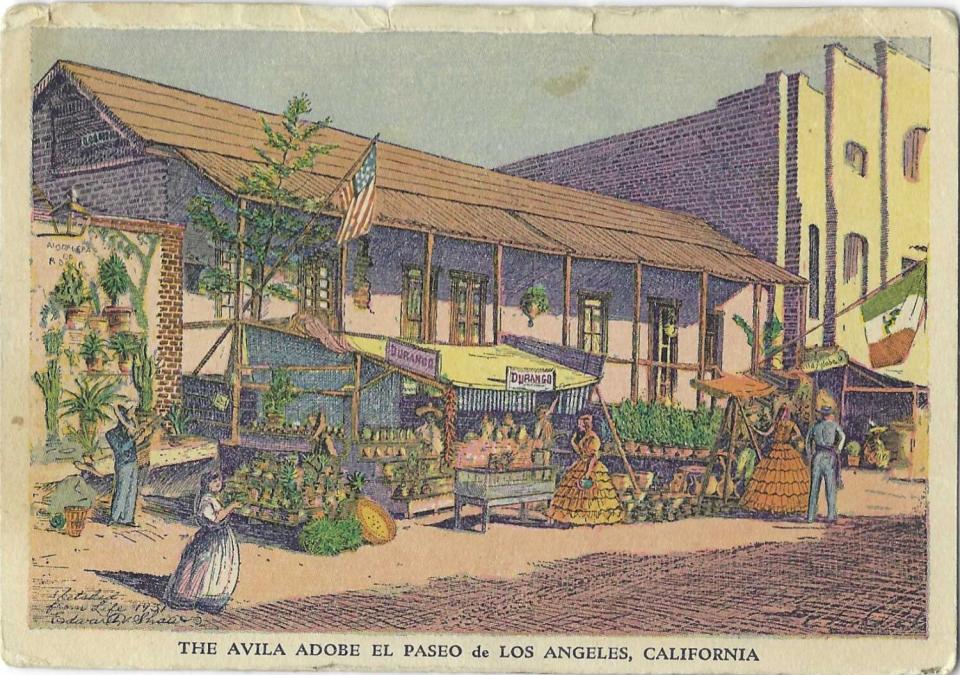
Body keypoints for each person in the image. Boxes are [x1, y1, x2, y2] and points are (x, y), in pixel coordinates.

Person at [163, 471, 241, 613]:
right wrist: (231, 507)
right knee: (204, 566)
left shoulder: (212, 498)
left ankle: (211, 597)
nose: (218, 483)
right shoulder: (206, 500)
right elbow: (215, 518)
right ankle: (197, 597)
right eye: (213, 481)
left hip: (218, 536)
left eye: (219, 480)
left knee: (217, 567)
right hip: (211, 538)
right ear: (206, 484)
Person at [545, 414, 623, 526]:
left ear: (587, 425)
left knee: (591, 494)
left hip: (591, 467)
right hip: (582, 464)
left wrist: (587, 474)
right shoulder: (586, 436)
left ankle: (587, 518)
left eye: (580, 424)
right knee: (575, 492)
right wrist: (573, 442)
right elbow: (582, 453)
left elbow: (593, 457)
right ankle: (575, 518)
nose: (578, 426)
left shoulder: (593, 438)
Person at [740, 403, 811, 515]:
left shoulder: (786, 424)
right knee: (774, 478)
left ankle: (784, 506)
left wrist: (791, 438)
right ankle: (775, 506)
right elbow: (767, 433)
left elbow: (798, 435)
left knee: (785, 478)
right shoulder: (782, 424)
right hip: (778, 450)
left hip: (784, 450)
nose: (784, 415)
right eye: (783, 413)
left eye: (784, 413)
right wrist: (755, 430)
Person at [105, 405, 158, 526]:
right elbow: (120, 449)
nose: (131, 422)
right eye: (128, 419)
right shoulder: (111, 434)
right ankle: (115, 517)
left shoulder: (129, 433)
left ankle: (127, 518)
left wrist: (140, 436)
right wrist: (133, 438)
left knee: (131, 490)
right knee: (122, 489)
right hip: (123, 464)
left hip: (133, 462)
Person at [805, 405, 846, 523]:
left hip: (817, 456)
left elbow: (807, 441)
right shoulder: (833, 425)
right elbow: (843, 436)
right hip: (829, 457)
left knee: (814, 488)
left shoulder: (815, 426)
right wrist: (838, 448)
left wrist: (809, 454)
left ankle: (810, 516)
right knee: (830, 487)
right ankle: (831, 515)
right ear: (829, 415)